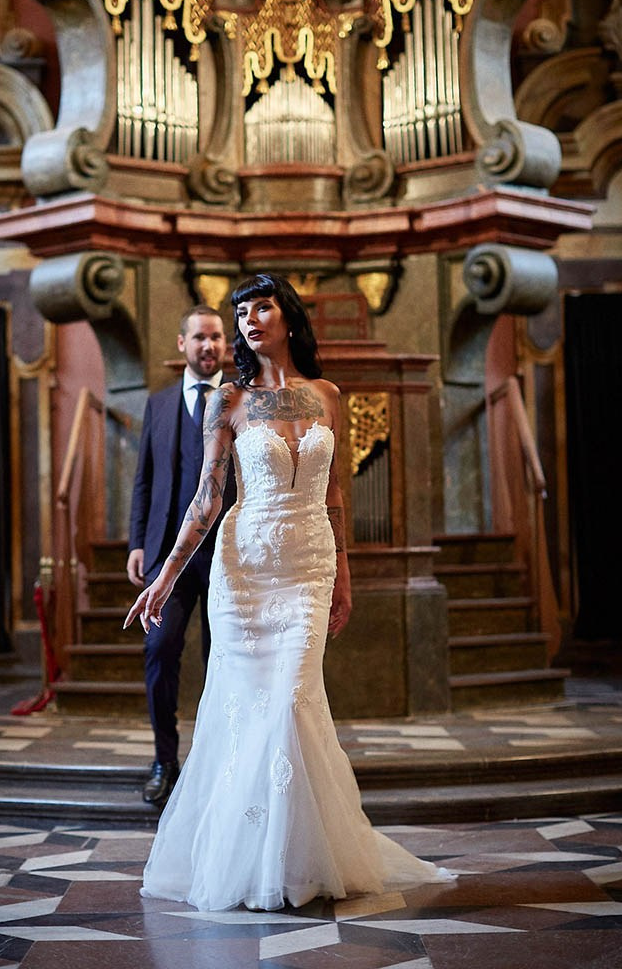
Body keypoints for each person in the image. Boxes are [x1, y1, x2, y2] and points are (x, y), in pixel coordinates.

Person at [124, 273, 456, 911]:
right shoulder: (231, 399)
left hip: (310, 563)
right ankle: (256, 863)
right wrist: (165, 576)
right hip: (245, 567)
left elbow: (336, 496)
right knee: (255, 712)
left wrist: (346, 575)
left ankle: (297, 856)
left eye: (261, 308)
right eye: (240, 311)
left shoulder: (328, 394)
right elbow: (207, 496)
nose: (249, 320)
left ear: (288, 315)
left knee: (294, 699)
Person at [126, 303, 235, 809]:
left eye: (216, 337)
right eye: (199, 338)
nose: (208, 346)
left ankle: (219, 767)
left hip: (227, 553)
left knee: (223, 660)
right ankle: (164, 762)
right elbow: (145, 479)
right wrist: (137, 541)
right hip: (168, 553)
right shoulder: (160, 404)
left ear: (225, 345)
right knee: (159, 651)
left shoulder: (241, 401)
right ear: (182, 344)